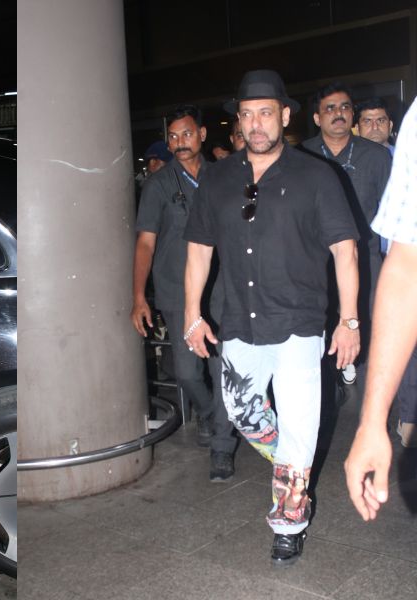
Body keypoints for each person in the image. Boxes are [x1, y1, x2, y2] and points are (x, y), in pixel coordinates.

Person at [184, 70, 360, 566]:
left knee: (300, 423)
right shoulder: (217, 177)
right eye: (247, 114)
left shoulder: (316, 176)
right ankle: (294, 466)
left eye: (266, 113)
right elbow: (198, 250)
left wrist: (349, 321)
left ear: (284, 116)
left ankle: (290, 517)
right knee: (241, 410)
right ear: (238, 121)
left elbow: (345, 251)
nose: (256, 123)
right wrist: (193, 314)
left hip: (300, 322)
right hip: (240, 321)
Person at [132, 105, 237, 481]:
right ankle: (210, 414)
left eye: (187, 134)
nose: (179, 142)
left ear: (202, 135)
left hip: (221, 290)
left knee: (222, 369)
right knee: (189, 373)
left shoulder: (222, 176)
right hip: (177, 292)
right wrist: (138, 296)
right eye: (173, 136)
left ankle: (222, 445)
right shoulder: (158, 185)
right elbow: (145, 243)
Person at [345, 97, 417, 520]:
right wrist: (372, 420)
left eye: (379, 120)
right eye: (366, 121)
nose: (373, 127)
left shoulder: (385, 156)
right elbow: (408, 265)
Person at [301, 83, 391, 388]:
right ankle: (329, 388)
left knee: (367, 329)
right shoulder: (301, 156)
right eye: (330, 108)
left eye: (344, 107)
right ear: (317, 118)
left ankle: (367, 394)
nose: (338, 113)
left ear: (352, 115)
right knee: (318, 332)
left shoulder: (376, 156)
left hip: (365, 259)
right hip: (315, 262)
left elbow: (392, 211)